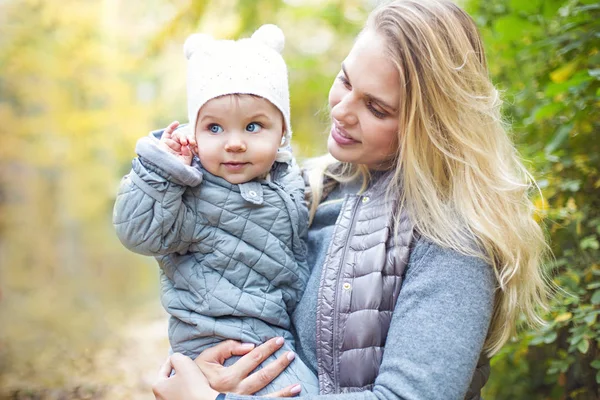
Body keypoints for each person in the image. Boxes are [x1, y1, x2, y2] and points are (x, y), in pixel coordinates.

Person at [151, 0, 550, 399]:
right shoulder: (305, 189)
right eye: (345, 80)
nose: (342, 110)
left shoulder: (454, 240)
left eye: (376, 107)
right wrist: (208, 365)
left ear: (430, 124)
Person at [113, 25, 319, 395]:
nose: (235, 143)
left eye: (253, 126)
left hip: (273, 337)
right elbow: (137, 232)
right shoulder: (189, 189)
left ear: (282, 133)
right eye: (214, 128)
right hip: (216, 346)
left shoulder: (289, 180)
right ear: (195, 131)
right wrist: (163, 170)